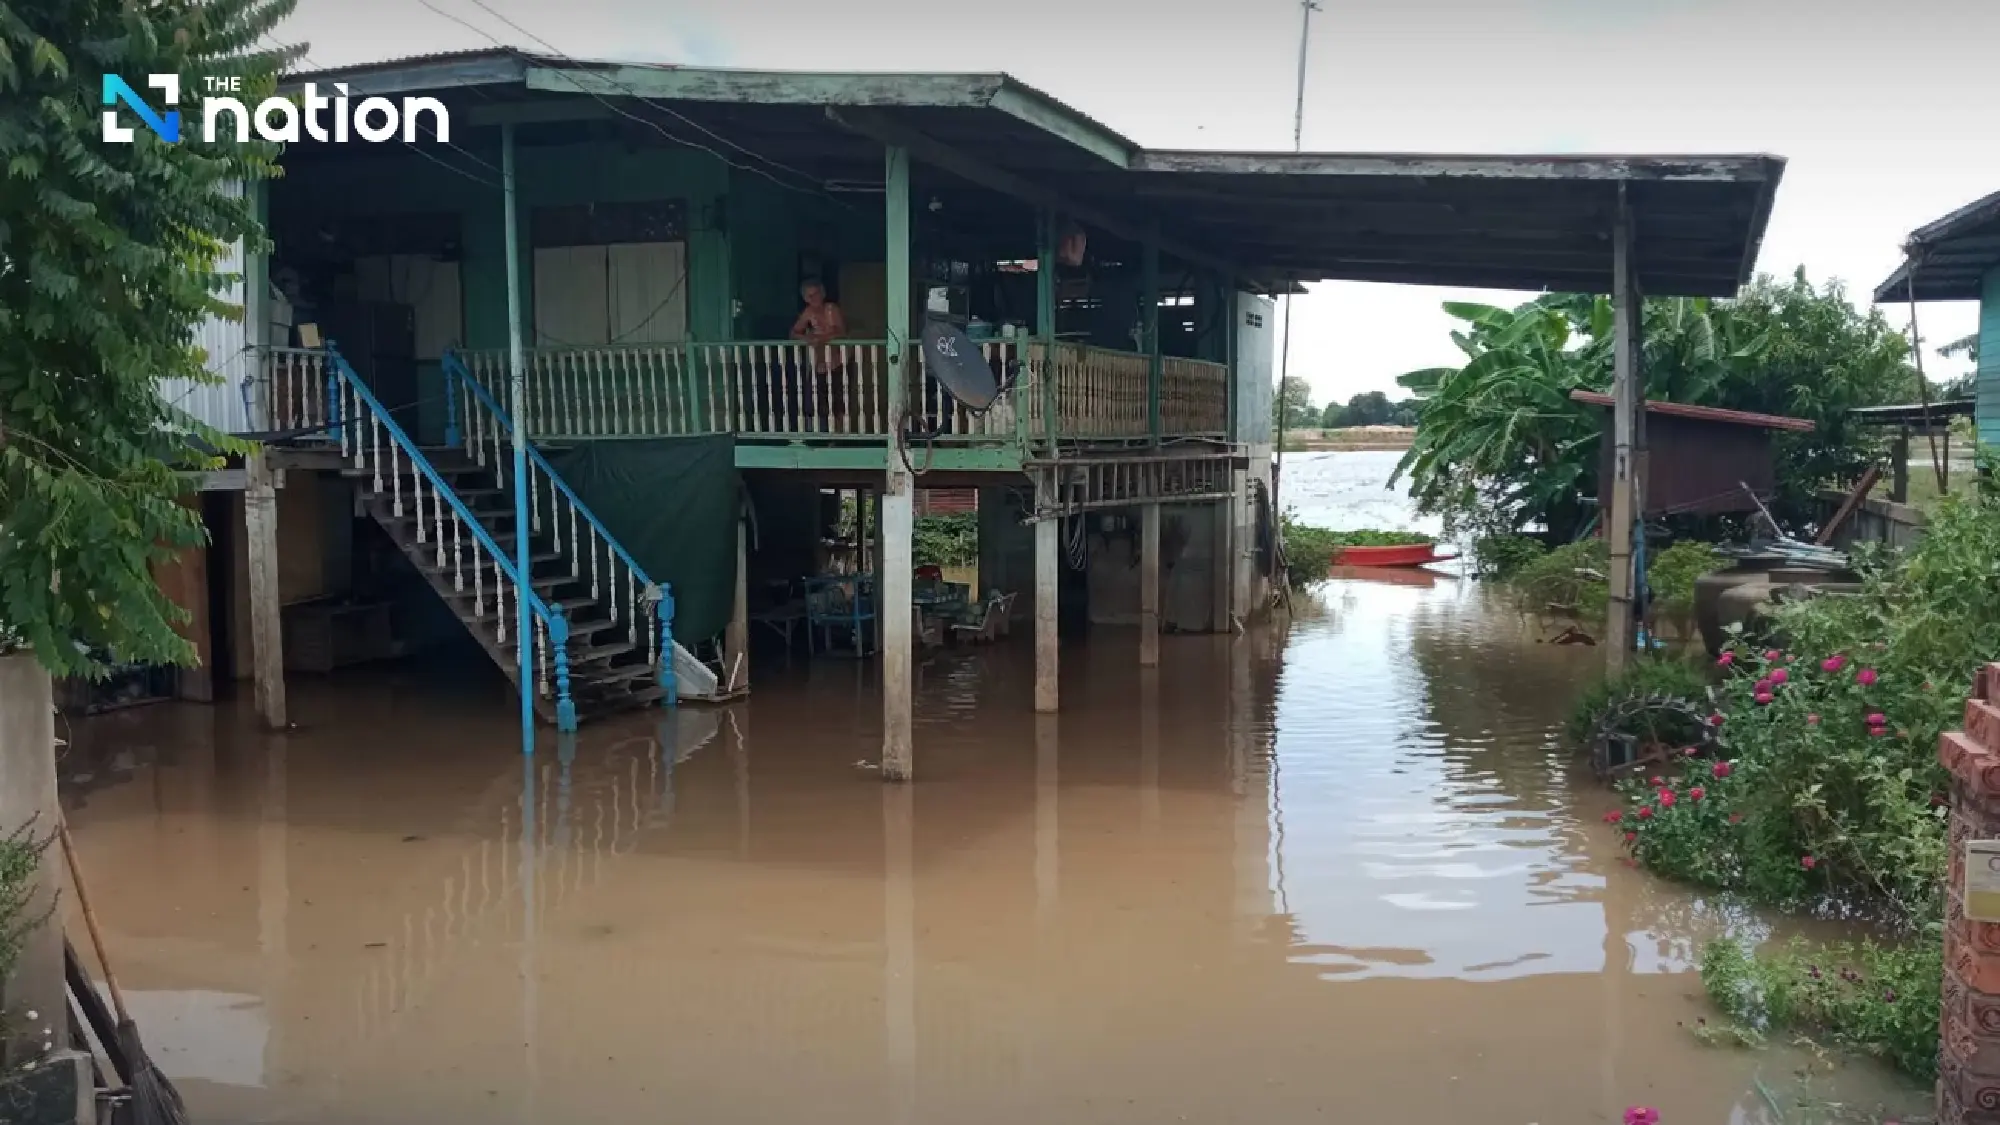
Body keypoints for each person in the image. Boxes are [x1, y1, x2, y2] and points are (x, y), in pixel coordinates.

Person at [788, 281, 847, 428]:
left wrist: (819, 339)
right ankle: (818, 436)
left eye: (817, 294)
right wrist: (807, 338)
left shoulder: (831, 309)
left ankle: (838, 439)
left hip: (836, 363)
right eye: (810, 296)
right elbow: (793, 333)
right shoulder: (808, 312)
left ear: (823, 294)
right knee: (814, 402)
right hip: (818, 365)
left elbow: (839, 331)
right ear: (805, 298)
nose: (814, 298)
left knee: (837, 404)